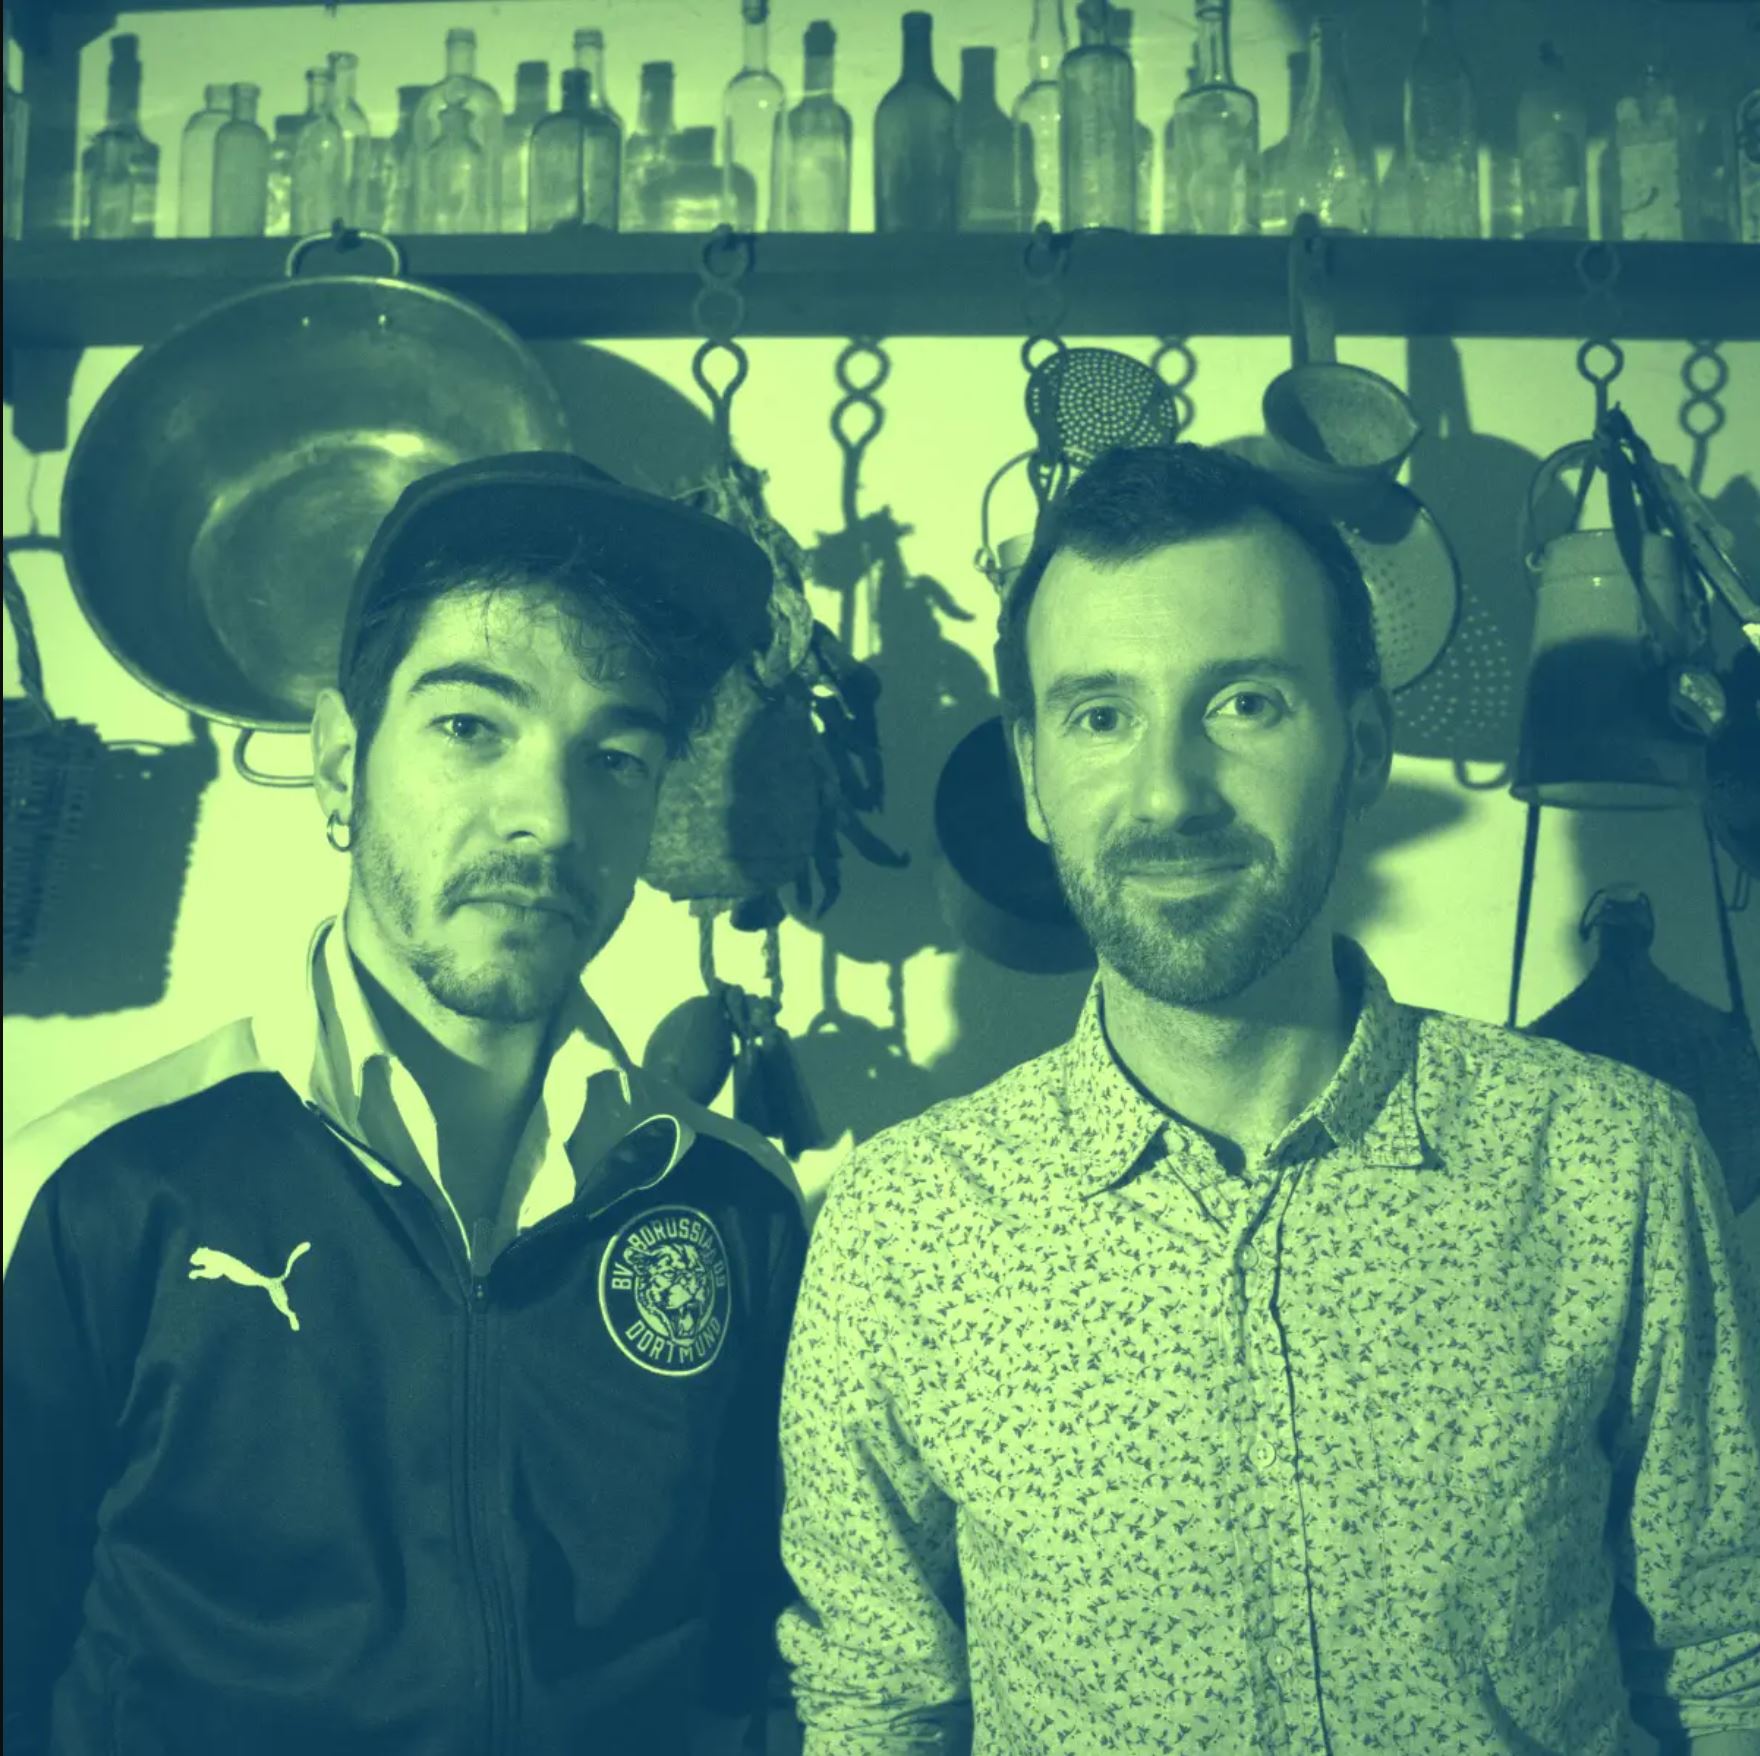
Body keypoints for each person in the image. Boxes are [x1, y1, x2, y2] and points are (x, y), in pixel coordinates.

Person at [775, 443, 1760, 1755]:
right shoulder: (901, 1227)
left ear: (1363, 748)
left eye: (1244, 703)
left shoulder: (1610, 1160)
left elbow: (1726, 1663)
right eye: (1101, 715)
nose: (1169, 793)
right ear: (1031, 774)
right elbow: (874, 1709)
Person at [4, 453, 808, 1756]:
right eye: (472, 727)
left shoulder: (735, 1202)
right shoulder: (95, 1187)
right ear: (340, 761)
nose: (547, 817)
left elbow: (765, 1662)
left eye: (615, 756)